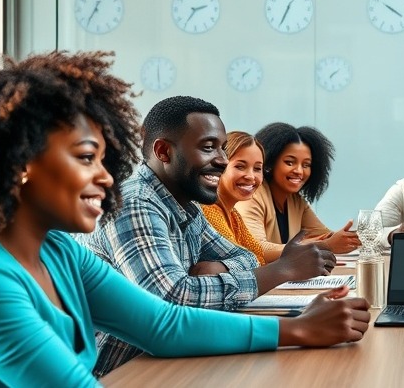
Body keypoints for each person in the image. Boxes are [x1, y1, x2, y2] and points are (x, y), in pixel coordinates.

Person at [0, 51, 370, 386]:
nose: (107, 177)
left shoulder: (57, 252)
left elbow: (163, 324)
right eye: (87, 157)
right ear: (21, 163)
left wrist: (298, 329)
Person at [75, 96, 341, 376]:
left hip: (173, 361)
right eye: (208, 147)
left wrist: (219, 269)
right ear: (164, 152)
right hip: (121, 374)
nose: (223, 161)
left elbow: (244, 256)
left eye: (222, 149)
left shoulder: (186, 205)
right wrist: (282, 270)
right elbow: (172, 301)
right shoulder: (135, 203)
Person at [238, 122, 360, 260]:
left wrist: (351, 238)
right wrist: (326, 245)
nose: (299, 171)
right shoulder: (252, 195)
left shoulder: (295, 200)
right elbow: (257, 248)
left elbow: (322, 235)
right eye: (290, 162)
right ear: (270, 163)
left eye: (306, 165)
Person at [201, 131, 270, 265]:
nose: (251, 176)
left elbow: (258, 257)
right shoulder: (208, 210)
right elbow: (244, 262)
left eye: (257, 168)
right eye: (240, 166)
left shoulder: (233, 215)